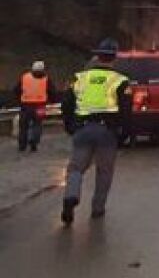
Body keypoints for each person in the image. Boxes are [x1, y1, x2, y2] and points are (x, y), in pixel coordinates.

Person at [60, 39, 132, 224]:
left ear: (97, 56)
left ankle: (71, 196)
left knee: (76, 168)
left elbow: (66, 103)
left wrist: (69, 125)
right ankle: (97, 209)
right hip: (107, 132)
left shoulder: (79, 78)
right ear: (114, 58)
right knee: (104, 172)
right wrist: (124, 133)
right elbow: (126, 109)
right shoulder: (121, 81)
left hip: (82, 128)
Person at [13, 60, 56, 152]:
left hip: (26, 105)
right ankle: (34, 142)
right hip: (40, 106)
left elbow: (16, 90)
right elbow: (52, 92)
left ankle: (22, 145)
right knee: (38, 124)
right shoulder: (46, 79)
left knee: (23, 126)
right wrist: (52, 101)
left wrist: (19, 101)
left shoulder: (25, 77)